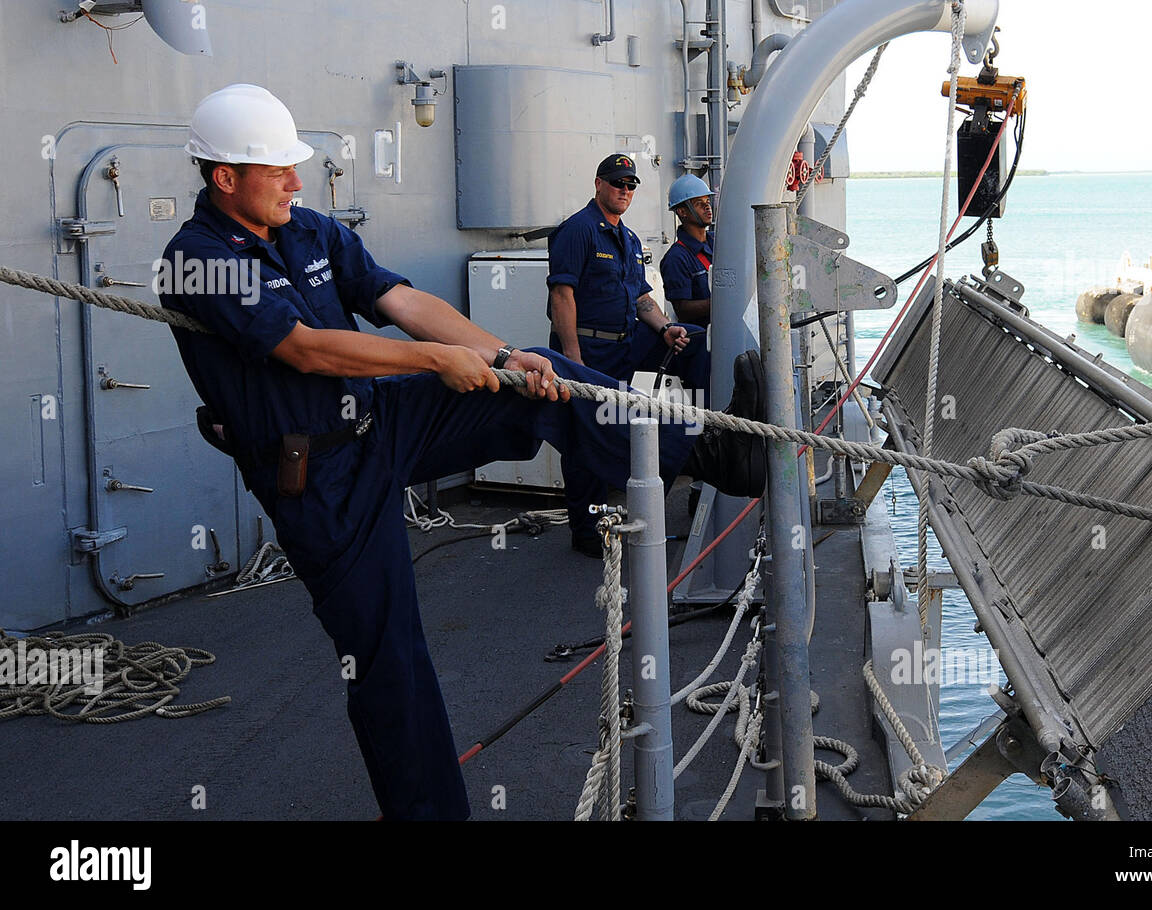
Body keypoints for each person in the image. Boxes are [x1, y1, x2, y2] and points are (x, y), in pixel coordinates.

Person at [160, 84, 765, 820]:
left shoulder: (311, 231)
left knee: (542, 376)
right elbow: (308, 350)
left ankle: (708, 452)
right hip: (318, 479)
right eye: (277, 170)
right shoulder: (194, 260)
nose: (296, 180)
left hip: (379, 422)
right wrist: (433, 362)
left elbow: (402, 302)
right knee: (389, 659)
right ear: (225, 178)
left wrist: (501, 351)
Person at [547, 155, 712, 556]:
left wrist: (665, 328)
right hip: (588, 346)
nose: (625, 189)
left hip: (626, 340)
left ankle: (697, 444)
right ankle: (586, 530)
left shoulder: (630, 239)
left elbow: (641, 296)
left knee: (693, 341)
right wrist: (573, 359)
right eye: (618, 182)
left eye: (631, 184)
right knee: (586, 435)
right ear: (599, 184)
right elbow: (562, 294)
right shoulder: (578, 231)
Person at [659, 174, 716, 328]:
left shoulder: (719, 243)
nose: (707, 207)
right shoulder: (676, 258)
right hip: (703, 341)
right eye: (699, 203)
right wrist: (721, 302)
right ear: (682, 212)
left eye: (707, 201)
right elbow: (682, 310)